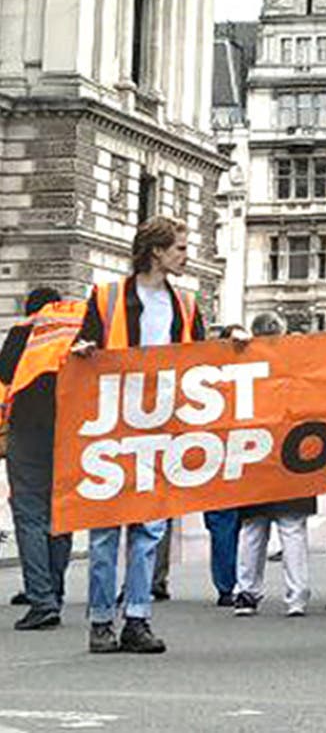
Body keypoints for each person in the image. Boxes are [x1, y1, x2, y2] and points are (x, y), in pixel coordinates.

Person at [69, 216, 224, 654]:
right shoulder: (106, 295)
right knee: (105, 530)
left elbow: (203, 360)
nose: (185, 254)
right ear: (155, 251)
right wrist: (82, 351)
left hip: (160, 425)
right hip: (112, 425)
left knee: (149, 528)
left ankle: (136, 617)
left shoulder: (188, 304)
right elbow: (85, 345)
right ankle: (102, 621)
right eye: (179, 247)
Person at [0, 287, 84, 630]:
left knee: (30, 515)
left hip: (28, 429)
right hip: (71, 430)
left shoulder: (22, 333)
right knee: (59, 514)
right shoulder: (77, 330)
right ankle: (56, 591)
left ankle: (42, 599)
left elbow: (4, 380)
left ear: (30, 309)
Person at [231, 315, 315, 617]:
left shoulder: (243, 363)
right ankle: (297, 596)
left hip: (254, 451)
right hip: (295, 452)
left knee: (253, 528)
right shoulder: (298, 363)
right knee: (292, 528)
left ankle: (246, 593)